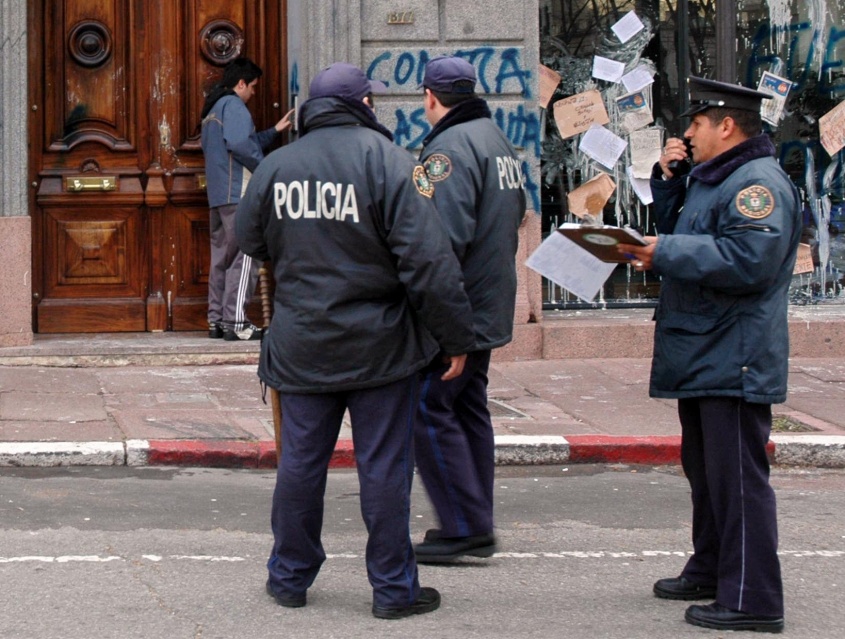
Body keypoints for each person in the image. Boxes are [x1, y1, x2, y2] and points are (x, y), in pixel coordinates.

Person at [235, 62, 476, 619]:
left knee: (300, 466)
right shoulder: (391, 162)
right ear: (364, 105)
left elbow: (250, 239)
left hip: (302, 345)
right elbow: (428, 262)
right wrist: (455, 336)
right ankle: (393, 589)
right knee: (384, 469)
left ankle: (289, 576)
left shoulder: (277, 166)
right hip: (380, 348)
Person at [618, 76, 801, 634]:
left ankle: (752, 599)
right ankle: (712, 568)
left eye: (696, 124)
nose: (688, 135)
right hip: (706, 348)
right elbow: (693, 234)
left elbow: (749, 259)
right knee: (709, 474)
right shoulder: (715, 178)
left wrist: (664, 251)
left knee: (737, 481)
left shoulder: (756, 184)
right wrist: (670, 184)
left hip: (733, 353)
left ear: (726, 126)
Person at [411, 55, 526, 563]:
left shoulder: (449, 149)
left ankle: (464, 525)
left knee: (428, 408)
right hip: (488, 296)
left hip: (459, 304)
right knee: (468, 406)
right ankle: (475, 517)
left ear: (430, 97)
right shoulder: (494, 138)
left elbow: (441, 240)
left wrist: (436, 313)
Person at [200, 57, 294, 340]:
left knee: (221, 259)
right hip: (237, 193)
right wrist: (265, 170)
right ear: (241, 83)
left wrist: (274, 131)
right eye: (253, 87)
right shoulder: (234, 105)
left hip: (219, 196)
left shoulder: (214, 109)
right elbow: (241, 145)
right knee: (246, 256)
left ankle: (217, 320)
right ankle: (236, 322)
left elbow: (239, 142)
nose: (253, 93)